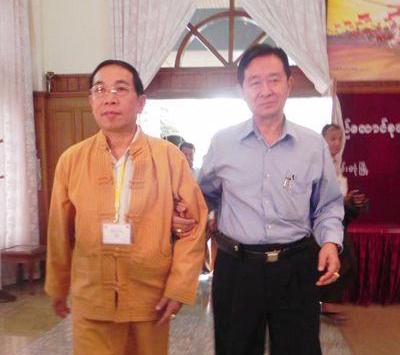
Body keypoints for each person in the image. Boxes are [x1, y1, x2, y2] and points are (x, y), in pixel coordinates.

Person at [176, 44, 345, 355]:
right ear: (241, 90)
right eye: (255, 82)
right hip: (237, 270)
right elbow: (204, 199)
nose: (265, 90)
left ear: (289, 83)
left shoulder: (312, 146)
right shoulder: (223, 142)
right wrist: (183, 214)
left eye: (274, 79)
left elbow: (328, 206)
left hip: (294, 267)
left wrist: (331, 242)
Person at [44, 60, 207, 355]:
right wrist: (58, 284)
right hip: (92, 296)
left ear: (141, 102)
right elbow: (59, 229)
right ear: (91, 101)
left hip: (150, 298)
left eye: (121, 89)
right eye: (100, 90)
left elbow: (194, 223)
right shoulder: (72, 160)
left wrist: (179, 286)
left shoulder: (168, 157)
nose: (109, 97)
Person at [320, 124, 368, 316]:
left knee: (346, 264)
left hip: (337, 224)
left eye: (340, 138)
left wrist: (349, 201)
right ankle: (325, 306)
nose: (337, 143)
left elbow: (336, 200)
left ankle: (328, 306)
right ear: (322, 140)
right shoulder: (317, 164)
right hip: (319, 227)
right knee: (340, 263)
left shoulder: (335, 164)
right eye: (333, 138)